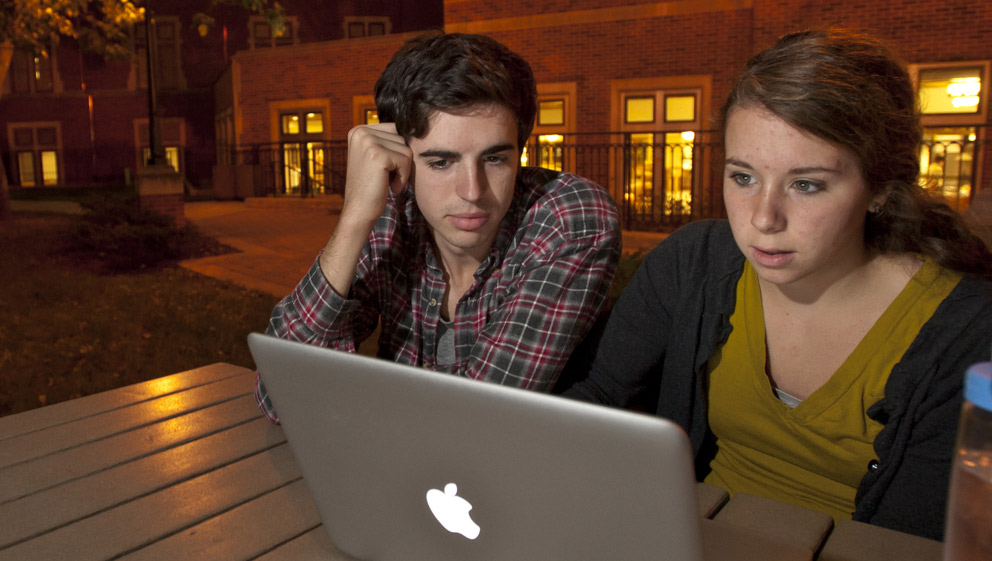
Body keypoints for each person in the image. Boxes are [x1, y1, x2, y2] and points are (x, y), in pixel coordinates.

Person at [560, 29, 992, 541]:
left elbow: (909, 540)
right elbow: (600, 395)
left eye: (806, 184)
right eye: (743, 177)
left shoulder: (967, 332)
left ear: (879, 189)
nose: (763, 218)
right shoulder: (694, 263)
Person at [255, 31, 621, 422]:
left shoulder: (568, 220)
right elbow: (277, 394)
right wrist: (354, 218)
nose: (472, 191)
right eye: (441, 162)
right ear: (401, 158)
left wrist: (345, 402)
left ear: (521, 151)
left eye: (494, 159)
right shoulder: (394, 216)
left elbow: (478, 418)